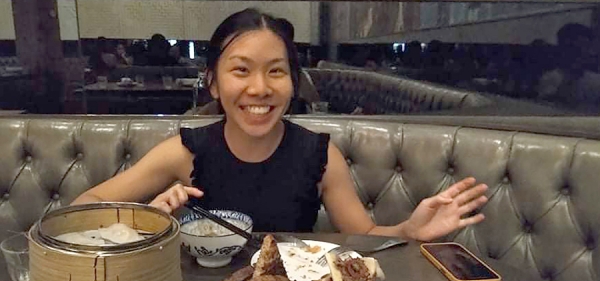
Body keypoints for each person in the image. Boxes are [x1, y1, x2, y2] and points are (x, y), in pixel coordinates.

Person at [72, 8, 488, 242]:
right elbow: (80, 210)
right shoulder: (185, 151)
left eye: (276, 71)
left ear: (293, 82)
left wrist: (410, 230)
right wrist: (148, 218)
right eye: (241, 70)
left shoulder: (319, 155)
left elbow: (364, 237)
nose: (259, 88)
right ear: (214, 84)